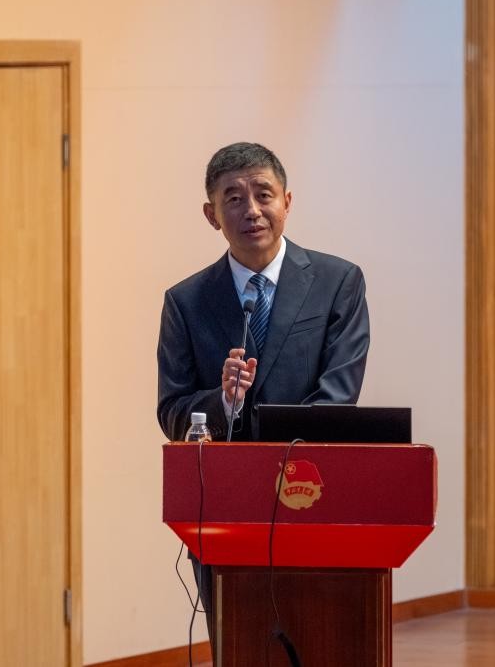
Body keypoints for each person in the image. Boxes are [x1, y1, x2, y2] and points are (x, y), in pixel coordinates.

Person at [156, 141, 370, 649]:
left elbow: (338, 395)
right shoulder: (186, 301)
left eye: (264, 194)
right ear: (212, 215)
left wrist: (281, 466)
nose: (251, 210)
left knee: (318, 641)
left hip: (312, 496)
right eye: (233, 198)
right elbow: (172, 411)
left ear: (287, 202)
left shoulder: (338, 282)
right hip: (227, 507)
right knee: (240, 644)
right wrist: (223, 402)